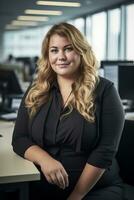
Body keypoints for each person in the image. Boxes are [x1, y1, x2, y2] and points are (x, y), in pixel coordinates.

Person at [12, 22, 125, 200]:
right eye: (54, 50)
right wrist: (45, 160)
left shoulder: (105, 90)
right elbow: (19, 138)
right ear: (47, 55)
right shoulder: (36, 90)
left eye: (68, 49)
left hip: (93, 190)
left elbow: (105, 151)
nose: (61, 57)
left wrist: (76, 196)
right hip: (41, 186)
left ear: (81, 51)